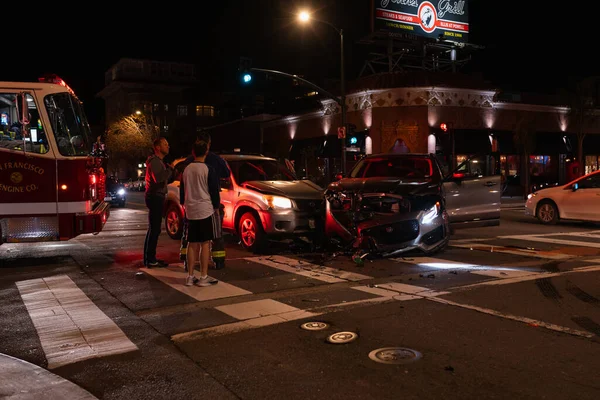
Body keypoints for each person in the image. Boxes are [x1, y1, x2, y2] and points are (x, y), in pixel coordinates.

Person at [180, 131, 229, 271]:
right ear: (208, 145)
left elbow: (182, 185)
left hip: (190, 205)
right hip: (208, 205)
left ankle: (187, 263)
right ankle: (218, 261)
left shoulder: (188, 163)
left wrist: (183, 202)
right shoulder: (214, 161)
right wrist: (215, 205)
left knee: (189, 236)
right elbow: (225, 175)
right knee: (214, 234)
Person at [180, 140, 220, 286]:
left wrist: (185, 204)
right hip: (205, 210)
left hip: (190, 210)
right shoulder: (208, 169)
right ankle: (203, 276)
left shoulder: (186, 169)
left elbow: (182, 191)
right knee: (205, 243)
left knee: (191, 243)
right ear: (206, 152)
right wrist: (216, 206)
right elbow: (214, 192)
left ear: (193, 152)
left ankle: (190, 276)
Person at [143, 137, 173, 268]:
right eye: (165, 144)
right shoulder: (155, 161)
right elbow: (159, 178)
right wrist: (170, 169)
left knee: (154, 228)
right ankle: (150, 259)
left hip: (156, 196)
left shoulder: (158, 162)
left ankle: (150, 257)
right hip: (155, 197)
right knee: (154, 229)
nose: (168, 146)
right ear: (158, 147)